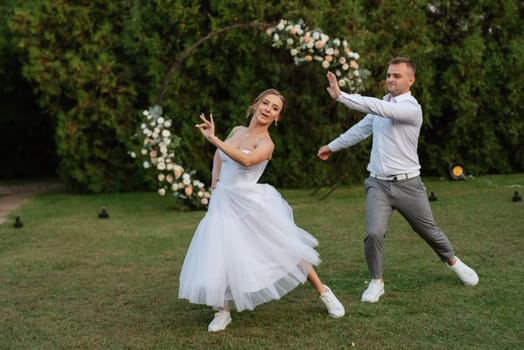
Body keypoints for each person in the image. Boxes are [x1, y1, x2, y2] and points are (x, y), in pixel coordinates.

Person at [179, 88, 345, 332]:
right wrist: (215, 178)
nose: (268, 109)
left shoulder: (267, 144)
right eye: (265, 103)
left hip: (251, 204)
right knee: (220, 253)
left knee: (286, 247)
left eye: (275, 108)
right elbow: (220, 154)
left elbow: (244, 161)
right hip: (223, 203)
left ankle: (324, 292)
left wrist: (214, 139)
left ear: (277, 117)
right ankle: (222, 311)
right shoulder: (237, 131)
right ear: (255, 105)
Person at [317, 57, 479, 303]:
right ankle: (376, 281)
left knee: (429, 232)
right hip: (378, 184)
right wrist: (332, 146)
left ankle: (454, 262)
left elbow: (379, 109)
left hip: (409, 185)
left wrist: (342, 96)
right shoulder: (382, 104)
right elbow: (360, 130)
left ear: (410, 80)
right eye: (389, 75)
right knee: (374, 233)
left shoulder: (411, 109)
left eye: (397, 75)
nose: (391, 79)